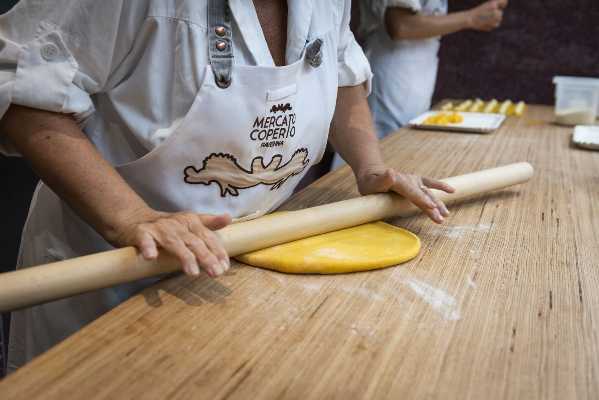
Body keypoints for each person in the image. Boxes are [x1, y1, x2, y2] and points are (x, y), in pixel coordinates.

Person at [0, 0, 454, 372]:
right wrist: (132, 218)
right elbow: (24, 89)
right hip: (108, 271)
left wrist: (371, 169)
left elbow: (339, 70)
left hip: (237, 264)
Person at [361, 0, 508, 138]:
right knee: (379, 149)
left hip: (416, 82)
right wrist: (472, 18)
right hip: (389, 82)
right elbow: (401, 25)